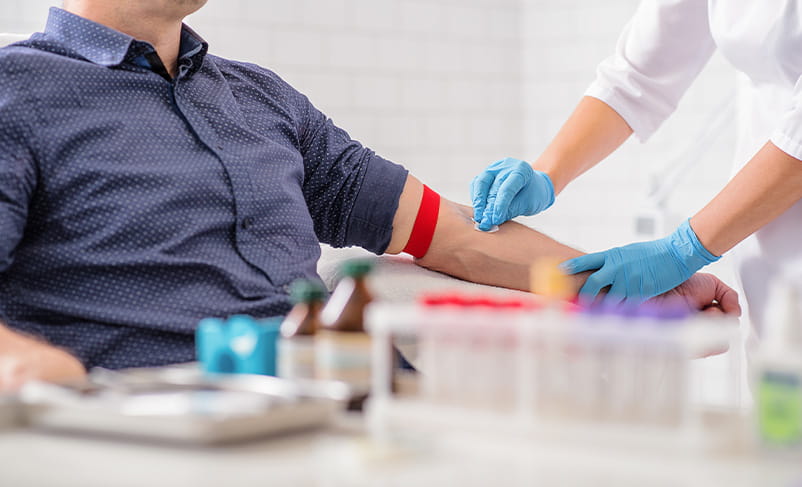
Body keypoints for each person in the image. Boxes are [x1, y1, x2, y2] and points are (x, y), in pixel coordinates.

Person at [0, 0, 740, 390]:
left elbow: (452, 236)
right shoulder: (17, 95)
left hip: (341, 415)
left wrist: (624, 292)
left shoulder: (263, 102)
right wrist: (34, 373)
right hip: (154, 434)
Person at [471, 0, 802, 332]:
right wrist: (547, 172)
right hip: (764, 260)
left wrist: (685, 248)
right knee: (776, 367)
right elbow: (636, 77)